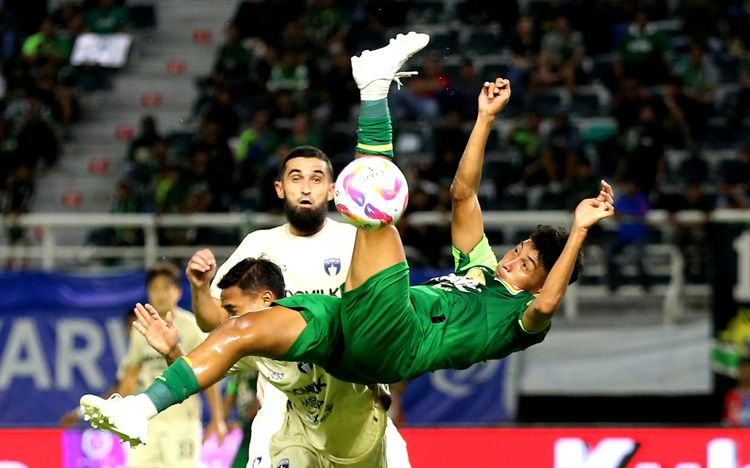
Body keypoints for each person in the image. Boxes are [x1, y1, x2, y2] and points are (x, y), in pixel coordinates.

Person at [81, 55, 615, 447]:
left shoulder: (522, 317)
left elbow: (547, 303)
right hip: (346, 325)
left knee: (378, 213)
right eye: (518, 248)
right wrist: (485, 120)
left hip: (398, 341)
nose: (512, 257)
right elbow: (463, 194)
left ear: (541, 281)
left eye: (526, 264)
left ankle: (374, 92)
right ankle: (139, 409)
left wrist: (579, 230)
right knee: (244, 330)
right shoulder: (476, 266)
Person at [91, 34, 427, 467]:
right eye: (295, 178)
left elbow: (390, 319)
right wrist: (198, 288)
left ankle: (375, 90)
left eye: (315, 179)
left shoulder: (355, 240)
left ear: (332, 189)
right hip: (282, 413)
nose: (305, 187)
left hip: (359, 407)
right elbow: (223, 327)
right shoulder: (258, 247)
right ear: (279, 188)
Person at [84, 262, 227, 466]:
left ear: (177, 292)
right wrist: (115, 409)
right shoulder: (140, 331)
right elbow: (131, 374)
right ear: (148, 293)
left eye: (166, 288)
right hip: (147, 420)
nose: (160, 294)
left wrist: (217, 418)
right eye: (155, 288)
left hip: (182, 422)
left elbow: (208, 375)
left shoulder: (192, 327)